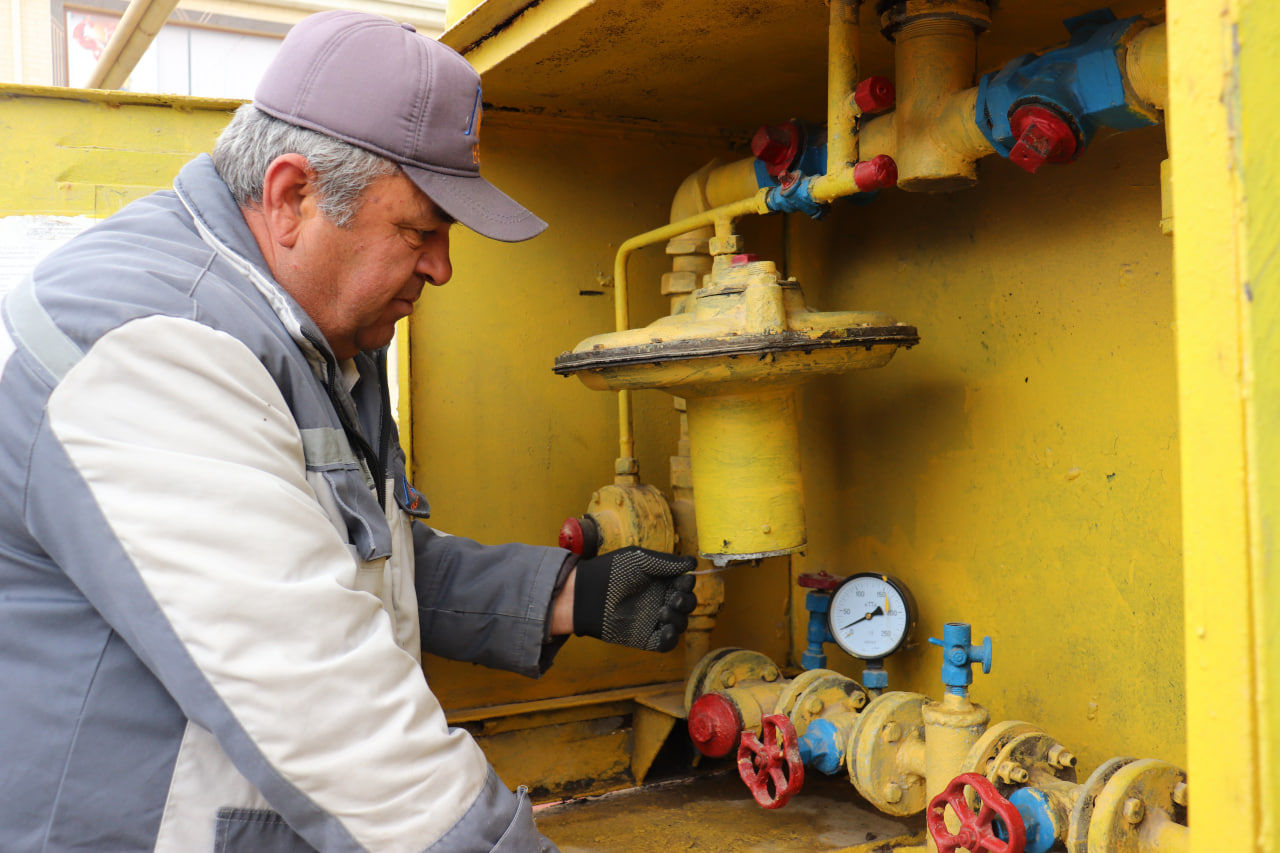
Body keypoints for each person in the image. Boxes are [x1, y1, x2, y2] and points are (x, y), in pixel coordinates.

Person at [0, 11, 697, 853]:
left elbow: (348, 556)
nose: (442, 266)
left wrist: (561, 596)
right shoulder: (150, 344)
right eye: (419, 230)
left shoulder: (311, 337)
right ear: (293, 197)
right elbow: (319, 699)